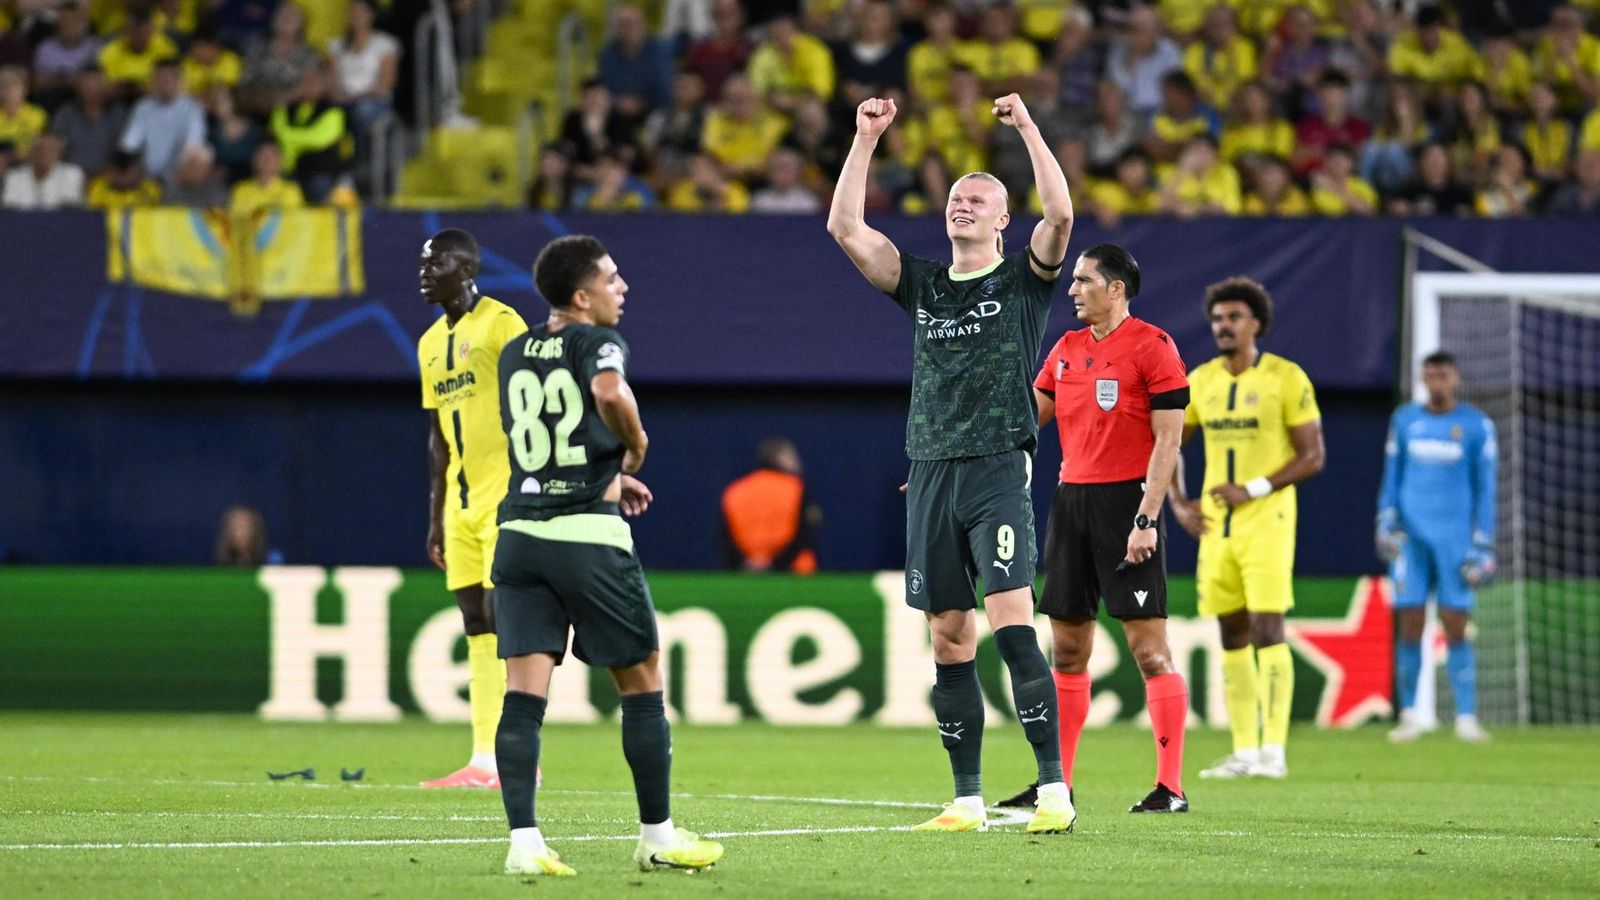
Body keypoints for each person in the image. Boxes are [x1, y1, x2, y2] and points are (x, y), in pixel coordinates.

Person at [826, 91, 1076, 835]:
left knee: (1012, 625)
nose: (961, 206)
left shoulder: (1024, 282)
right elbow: (844, 227)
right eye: (956, 199)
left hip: (998, 464)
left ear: (1004, 219)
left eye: (978, 200)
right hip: (930, 467)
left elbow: (1060, 217)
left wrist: (1029, 127)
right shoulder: (925, 284)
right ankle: (965, 798)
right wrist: (866, 137)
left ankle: (1053, 790)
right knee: (948, 635)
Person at [493, 234, 724, 876]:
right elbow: (608, 392)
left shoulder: (514, 352)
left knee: (522, 693)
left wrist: (605, 476)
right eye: (612, 279)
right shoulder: (596, 340)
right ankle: (657, 836)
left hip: (518, 535)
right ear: (581, 296)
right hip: (585, 537)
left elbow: (543, 438)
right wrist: (636, 446)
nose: (622, 289)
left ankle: (524, 846)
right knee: (642, 676)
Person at [999, 243, 1193, 817]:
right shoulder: (1065, 349)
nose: (1073, 289)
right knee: (1067, 647)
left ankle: (1170, 787)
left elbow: (1169, 441)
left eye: (1084, 280)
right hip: (1071, 501)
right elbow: (1021, 421)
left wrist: (1146, 519)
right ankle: (1056, 785)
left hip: (1127, 503)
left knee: (1148, 649)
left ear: (1116, 289)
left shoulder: (1154, 347)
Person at [1167, 277, 1325, 780]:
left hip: (1268, 522)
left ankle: (1274, 750)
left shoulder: (1285, 377)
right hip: (1216, 527)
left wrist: (1254, 488)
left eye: (1234, 318)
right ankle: (1243, 750)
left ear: (1256, 324)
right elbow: (1168, 442)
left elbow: (1313, 456)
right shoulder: (1203, 380)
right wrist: (1178, 503)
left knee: (1267, 629)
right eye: (1217, 319)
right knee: (1230, 630)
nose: (1223, 326)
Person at [416, 228, 529, 790]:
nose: (423, 272)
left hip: (505, 496)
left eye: (434, 263)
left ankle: (514, 756)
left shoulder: (502, 324)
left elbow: (533, 402)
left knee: (504, 619)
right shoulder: (429, 343)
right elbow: (437, 435)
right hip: (459, 504)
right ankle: (484, 759)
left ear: (464, 268)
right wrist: (436, 513)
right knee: (476, 624)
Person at [1378, 351, 1497, 744]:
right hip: (1411, 540)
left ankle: (1466, 717)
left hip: (1455, 540)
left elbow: (1486, 488)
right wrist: (1385, 520)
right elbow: (1392, 476)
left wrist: (1483, 543)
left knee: (1456, 624)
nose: (1435, 382)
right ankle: (1410, 714)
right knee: (1411, 622)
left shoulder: (1475, 425)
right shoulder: (1406, 420)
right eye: (1429, 375)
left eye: (1443, 375)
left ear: (1456, 378)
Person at [720, 437, 820, 572]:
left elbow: (724, 537)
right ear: (779, 458)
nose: (798, 462)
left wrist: (745, 562)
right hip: (793, 572)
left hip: (745, 572)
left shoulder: (735, 491)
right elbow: (805, 535)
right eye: (791, 457)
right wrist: (774, 564)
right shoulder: (796, 489)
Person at [213, 504, 281, 566]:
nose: (243, 534)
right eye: (237, 528)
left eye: (246, 527)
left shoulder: (269, 564)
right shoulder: (218, 568)